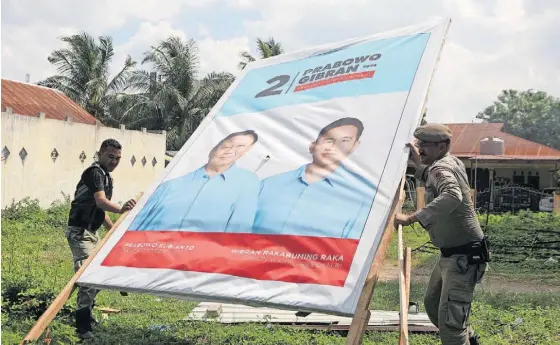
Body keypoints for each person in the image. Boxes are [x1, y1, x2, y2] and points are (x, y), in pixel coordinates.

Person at [394, 123, 488, 345]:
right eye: (419, 144)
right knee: (433, 305)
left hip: (463, 258)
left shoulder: (440, 168)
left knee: (450, 326)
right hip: (451, 255)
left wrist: (411, 218)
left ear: (443, 146)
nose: (420, 149)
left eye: (424, 145)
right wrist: (419, 165)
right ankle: (469, 339)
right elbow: (433, 174)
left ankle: (460, 338)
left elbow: (452, 196)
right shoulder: (447, 162)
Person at [252, 117, 376, 239]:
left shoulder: (359, 197)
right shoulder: (268, 185)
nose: (332, 147)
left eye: (344, 141)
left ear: (354, 146)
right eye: (328, 140)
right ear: (313, 145)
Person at [65, 139, 136, 340]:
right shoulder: (95, 173)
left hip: (91, 232)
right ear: (101, 153)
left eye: (117, 158)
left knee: (96, 276)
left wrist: (112, 229)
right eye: (110, 156)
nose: (114, 161)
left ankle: (85, 314)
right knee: (88, 279)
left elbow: (98, 208)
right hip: (79, 232)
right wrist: (121, 208)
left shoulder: (106, 177)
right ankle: (82, 328)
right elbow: (101, 201)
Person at [129, 130, 260, 233]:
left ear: (245, 152)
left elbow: (238, 230)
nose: (230, 151)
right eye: (226, 145)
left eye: (240, 147)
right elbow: (136, 224)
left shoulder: (247, 183)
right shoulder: (170, 185)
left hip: (199, 261)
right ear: (213, 149)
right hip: (148, 258)